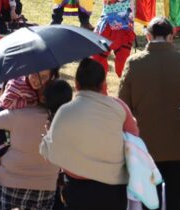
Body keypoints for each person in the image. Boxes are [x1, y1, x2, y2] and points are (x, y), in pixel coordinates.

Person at [40, 58, 138, 210]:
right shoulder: (119, 107)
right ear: (103, 84)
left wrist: (48, 134)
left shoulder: (65, 111)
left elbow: (49, 153)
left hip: (78, 189)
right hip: (114, 187)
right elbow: (134, 137)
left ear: (76, 84)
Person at [119, 17, 180, 210]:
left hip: (147, 149)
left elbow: (123, 106)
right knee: (177, 204)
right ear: (171, 36)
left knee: (150, 205)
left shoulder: (134, 63)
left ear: (148, 36)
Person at [0, 73, 60, 210]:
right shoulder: (61, 121)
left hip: (11, 183)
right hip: (46, 186)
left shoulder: (15, 115)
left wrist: (7, 138)